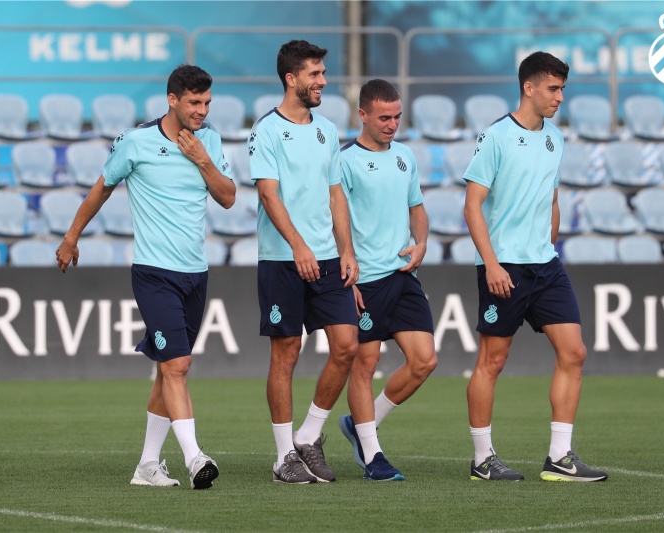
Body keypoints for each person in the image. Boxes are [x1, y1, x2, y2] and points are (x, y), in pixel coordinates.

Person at [55, 64, 236, 489]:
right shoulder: (136, 142)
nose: (202, 110)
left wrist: (202, 159)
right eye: (194, 102)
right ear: (172, 99)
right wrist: (71, 237)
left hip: (196, 273)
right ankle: (195, 458)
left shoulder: (209, 140)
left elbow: (228, 197)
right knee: (178, 364)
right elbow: (101, 188)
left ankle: (147, 466)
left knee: (167, 368)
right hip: (155, 273)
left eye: (207, 103)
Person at [462, 51, 607, 482]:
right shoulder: (496, 137)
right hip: (504, 265)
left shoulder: (555, 138)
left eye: (562, 89)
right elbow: (472, 206)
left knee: (574, 352)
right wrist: (491, 264)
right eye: (553, 89)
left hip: (545, 265)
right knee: (493, 360)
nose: (560, 97)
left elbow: (552, 200)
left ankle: (559, 457)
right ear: (529, 87)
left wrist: (549, 246)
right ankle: (482, 459)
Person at [249, 40, 359, 484]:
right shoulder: (266, 130)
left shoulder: (327, 130)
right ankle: (283, 458)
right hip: (283, 259)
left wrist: (347, 249)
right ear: (291, 78)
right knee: (286, 353)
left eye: (323, 73)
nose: (323, 82)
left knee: (347, 345)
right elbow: (268, 194)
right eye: (315, 74)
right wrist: (298, 245)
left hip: (328, 259)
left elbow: (336, 194)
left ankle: (308, 436)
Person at [336, 79, 438, 481]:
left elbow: (417, 208)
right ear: (362, 115)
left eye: (397, 116)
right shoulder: (345, 162)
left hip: (403, 274)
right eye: (384, 117)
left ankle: (363, 423)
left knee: (424, 361)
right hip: (365, 279)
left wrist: (421, 242)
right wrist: (347, 274)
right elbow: (336, 222)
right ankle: (373, 455)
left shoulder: (405, 156)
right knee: (365, 364)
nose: (392, 124)